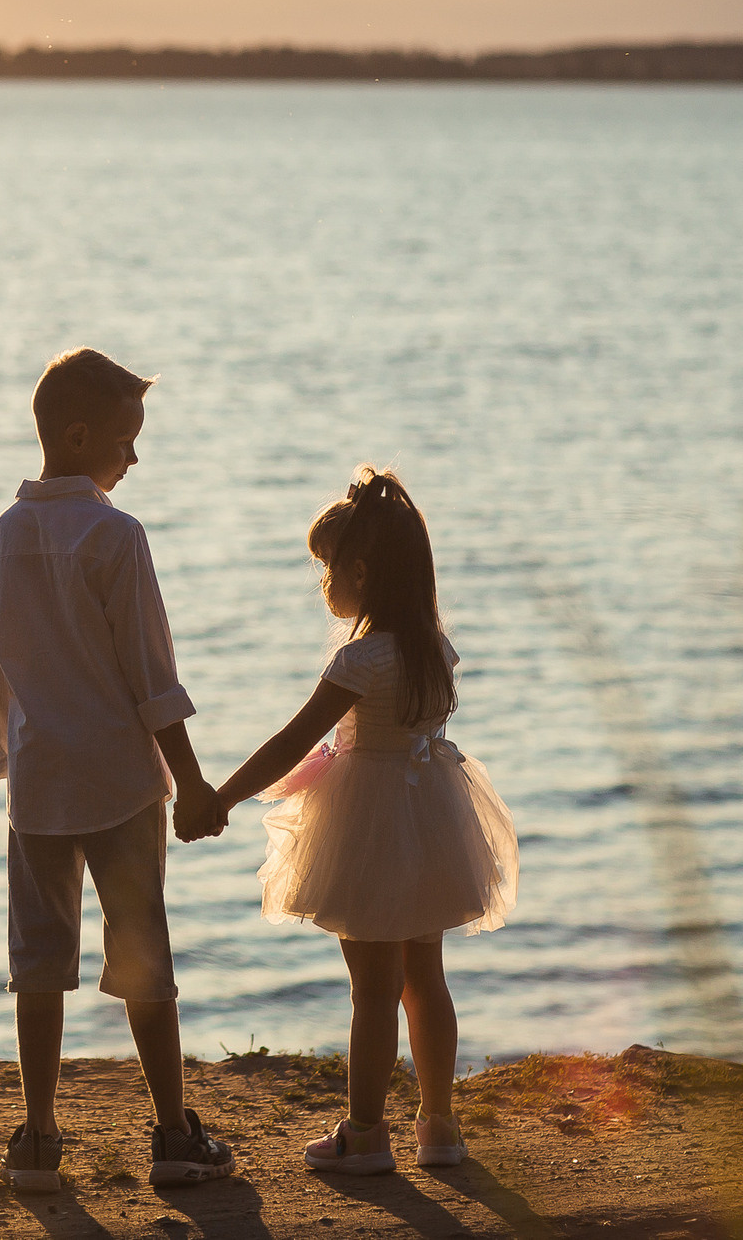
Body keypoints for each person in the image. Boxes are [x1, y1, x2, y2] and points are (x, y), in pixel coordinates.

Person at [0, 347, 239, 1192]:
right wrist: (192, 782)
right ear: (83, 435)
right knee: (143, 958)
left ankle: (39, 1136)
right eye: (128, 440)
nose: (135, 458)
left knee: (38, 962)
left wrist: (7, 753)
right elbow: (150, 677)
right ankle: (171, 1133)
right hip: (121, 785)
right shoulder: (114, 536)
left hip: (38, 784)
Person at [210, 468, 519, 1174]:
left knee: (373, 988)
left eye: (326, 570)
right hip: (433, 816)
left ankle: (366, 1133)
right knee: (425, 978)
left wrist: (222, 796)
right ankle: (440, 1126)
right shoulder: (432, 647)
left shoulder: (359, 659)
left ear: (358, 571)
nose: (323, 587)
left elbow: (291, 741)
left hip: (371, 823)